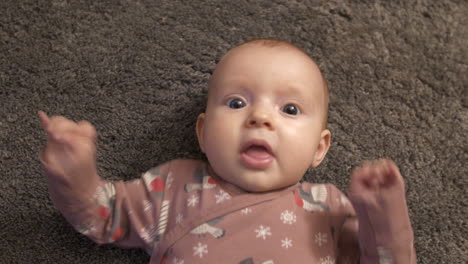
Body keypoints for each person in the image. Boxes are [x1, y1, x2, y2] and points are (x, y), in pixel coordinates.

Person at [38, 39, 416, 263]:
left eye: (290, 109)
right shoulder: (173, 186)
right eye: (236, 103)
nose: (260, 117)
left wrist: (382, 217)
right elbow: (101, 217)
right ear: (203, 133)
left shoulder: (329, 207)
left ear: (319, 148)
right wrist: (75, 174)